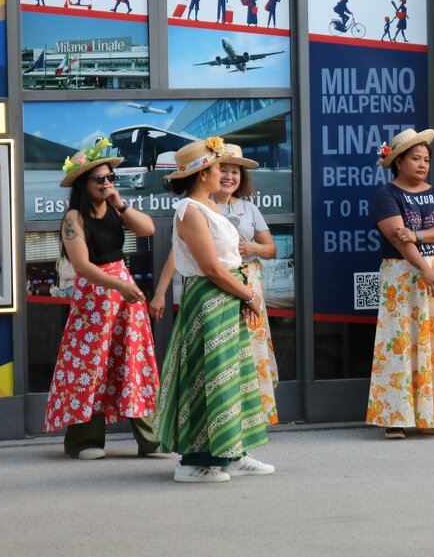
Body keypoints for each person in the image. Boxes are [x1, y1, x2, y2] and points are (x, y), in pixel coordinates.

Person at [155, 138, 273, 482]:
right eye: (217, 167)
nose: (222, 173)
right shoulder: (190, 210)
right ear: (203, 173)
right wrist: (249, 295)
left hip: (223, 297)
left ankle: (230, 453)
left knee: (229, 375)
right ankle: (193, 462)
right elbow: (212, 268)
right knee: (207, 375)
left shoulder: (208, 206)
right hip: (209, 299)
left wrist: (243, 294)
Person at [43, 139, 160, 459]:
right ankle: (85, 441)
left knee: (133, 360)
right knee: (90, 365)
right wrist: (120, 286)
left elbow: (148, 229)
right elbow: (82, 265)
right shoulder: (73, 218)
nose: (108, 183)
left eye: (111, 178)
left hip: (122, 289)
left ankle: (151, 439)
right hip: (95, 295)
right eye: (101, 179)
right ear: (84, 183)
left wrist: (120, 203)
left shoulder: (114, 208)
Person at [367, 128, 434, 438]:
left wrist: (418, 235)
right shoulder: (386, 196)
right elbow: (396, 237)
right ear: (398, 161)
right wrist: (423, 267)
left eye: (426, 159)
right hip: (403, 275)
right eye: (415, 158)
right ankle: (396, 418)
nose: (422, 165)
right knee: (400, 342)